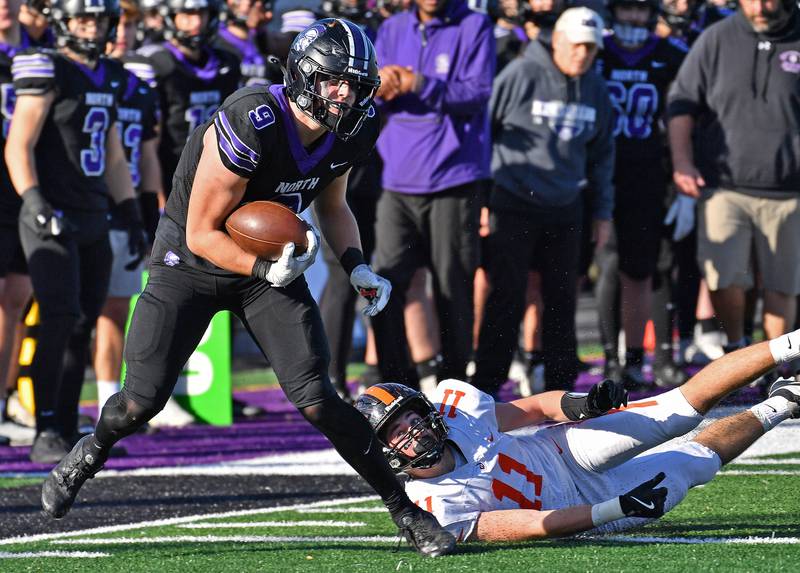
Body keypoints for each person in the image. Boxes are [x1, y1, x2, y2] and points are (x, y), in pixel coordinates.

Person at [40, 19, 456, 558]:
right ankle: (89, 451)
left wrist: (356, 265)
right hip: (190, 262)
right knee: (140, 403)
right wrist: (265, 271)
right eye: (334, 80)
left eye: (355, 84)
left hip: (266, 267)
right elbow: (202, 231)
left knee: (319, 400)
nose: (345, 94)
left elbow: (332, 205)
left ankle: (407, 513)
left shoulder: (354, 126)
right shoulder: (252, 118)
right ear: (306, 75)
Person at [355, 329, 800, 542]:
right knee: (691, 465)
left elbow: (531, 408)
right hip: (573, 504)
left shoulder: (457, 410)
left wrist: (585, 404)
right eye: (395, 429)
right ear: (384, 454)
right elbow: (530, 525)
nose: (411, 428)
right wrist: (614, 508)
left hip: (563, 450)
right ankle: (785, 401)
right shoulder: (432, 507)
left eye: (410, 415)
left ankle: (792, 343)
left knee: (676, 411)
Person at [7, 0, 145, 462]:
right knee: (58, 319)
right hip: (50, 212)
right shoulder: (47, 67)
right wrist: (34, 200)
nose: (93, 27)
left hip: (92, 213)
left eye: (99, 18)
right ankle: (46, 426)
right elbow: (18, 143)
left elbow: (112, 152)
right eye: (83, 18)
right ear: (63, 22)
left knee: (82, 324)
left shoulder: (106, 74)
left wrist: (129, 208)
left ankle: (66, 423)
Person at [472, 7, 613, 395]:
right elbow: (483, 135)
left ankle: (560, 385)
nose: (583, 54)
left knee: (562, 297)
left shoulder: (596, 88)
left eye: (591, 48)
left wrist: (602, 213)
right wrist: (482, 199)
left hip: (567, 205)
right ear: (558, 41)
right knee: (506, 295)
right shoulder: (520, 74)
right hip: (513, 201)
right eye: (577, 46)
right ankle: (486, 384)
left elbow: (602, 155)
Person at [668, 0, 800, 373]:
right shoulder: (716, 39)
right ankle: (737, 350)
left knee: (782, 284)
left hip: (790, 190)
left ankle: (780, 366)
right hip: (723, 186)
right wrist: (681, 162)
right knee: (724, 277)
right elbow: (681, 105)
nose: (760, 6)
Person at [369, 0, 495, 388]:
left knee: (452, 285)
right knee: (383, 281)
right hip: (397, 178)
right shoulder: (391, 29)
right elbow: (369, 95)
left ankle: (454, 382)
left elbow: (477, 93)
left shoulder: (475, 26)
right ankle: (392, 382)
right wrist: (381, 86)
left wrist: (418, 83)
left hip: (453, 179)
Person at [593, 0, 688, 389]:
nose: (633, 18)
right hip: (602, 173)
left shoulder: (671, 56)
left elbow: (684, 118)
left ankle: (637, 359)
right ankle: (611, 359)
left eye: (640, 10)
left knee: (646, 267)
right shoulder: (595, 50)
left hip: (650, 175)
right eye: (626, 9)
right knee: (609, 264)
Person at [93, 0, 163, 415]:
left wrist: (148, 209)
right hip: (80, 202)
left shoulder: (138, 85)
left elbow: (149, 153)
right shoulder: (75, 76)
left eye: (127, 29)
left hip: (124, 205)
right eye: (114, 28)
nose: (121, 36)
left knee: (118, 306)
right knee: (71, 311)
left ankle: (106, 397)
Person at [137, 0, 241, 198]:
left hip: (214, 173)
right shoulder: (156, 63)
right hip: (171, 171)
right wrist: (158, 199)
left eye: (201, 14)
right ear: (171, 17)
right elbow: (150, 143)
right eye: (187, 14)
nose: (195, 23)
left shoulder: (227, 63)